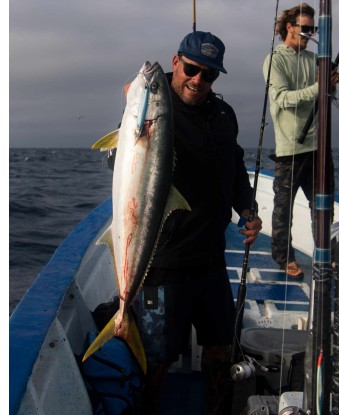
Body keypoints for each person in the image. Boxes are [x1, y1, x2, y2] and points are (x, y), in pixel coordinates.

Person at [109, 31, 262, 414]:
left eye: (209, 75)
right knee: (156, 360)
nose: (198, 80)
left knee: (219, 349)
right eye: (192, 69)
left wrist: (247, 209)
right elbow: (122, 164)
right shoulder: (155, 114)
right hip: (161, 262)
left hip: (210, 259)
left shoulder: (223, 115)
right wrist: (134, 111)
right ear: (176, 61)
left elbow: (233, 168)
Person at [262, 3, 339, 278]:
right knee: (283, 210)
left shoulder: (314, 59)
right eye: (305, 28)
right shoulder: (275, 59)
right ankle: (284, 258)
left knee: (323, 206)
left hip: (319, 148)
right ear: (288, 27)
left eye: (313, 29)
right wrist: (319, 87)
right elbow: (281, 99)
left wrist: (331, 85)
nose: (309, 34)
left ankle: (326, 254)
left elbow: (324, 94)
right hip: (289, 148)